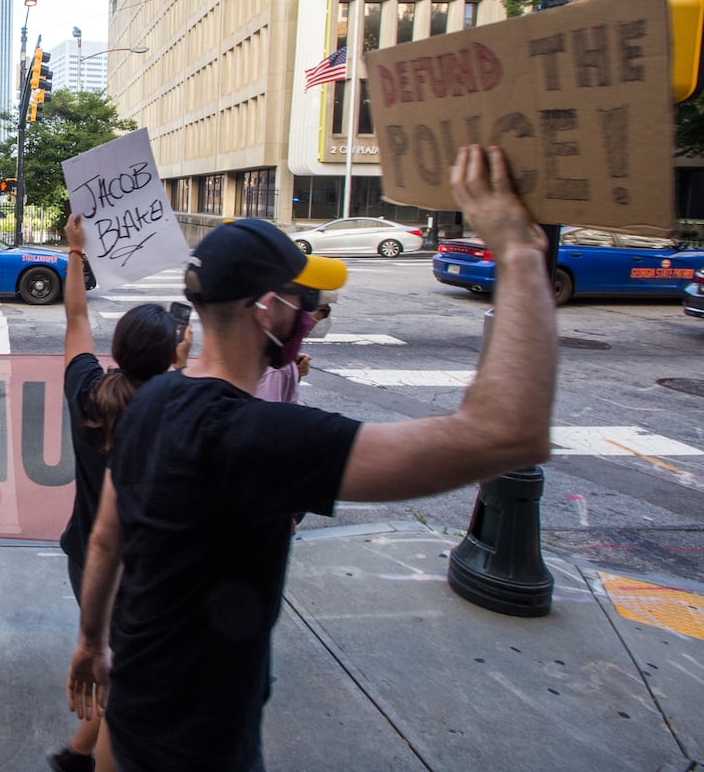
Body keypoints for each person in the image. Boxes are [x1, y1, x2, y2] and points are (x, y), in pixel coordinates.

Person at [68, 145, 557, 772]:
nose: (314, 315)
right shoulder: (269, 440)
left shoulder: (154, 398)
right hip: (201, 747)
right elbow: (506, 435)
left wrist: (90, 643)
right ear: (266, 307)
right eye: (305, 301)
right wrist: (517, 254)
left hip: (131, 715)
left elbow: (108, 538)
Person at [49, 214, 190, 772]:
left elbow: (76, 315)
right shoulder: (175, 410)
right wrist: (179, 367)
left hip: (85, 556)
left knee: (110, 658)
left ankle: (79, 752)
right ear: (172, 356)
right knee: (127, 673)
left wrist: (76, 252)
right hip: (142, 570)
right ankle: (84, 755)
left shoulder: (88, 391)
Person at [255, 291, 334, 404]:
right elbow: (267, 417)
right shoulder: (277, 369)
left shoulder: (271, 350)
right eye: (325, 311)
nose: (323, 318)